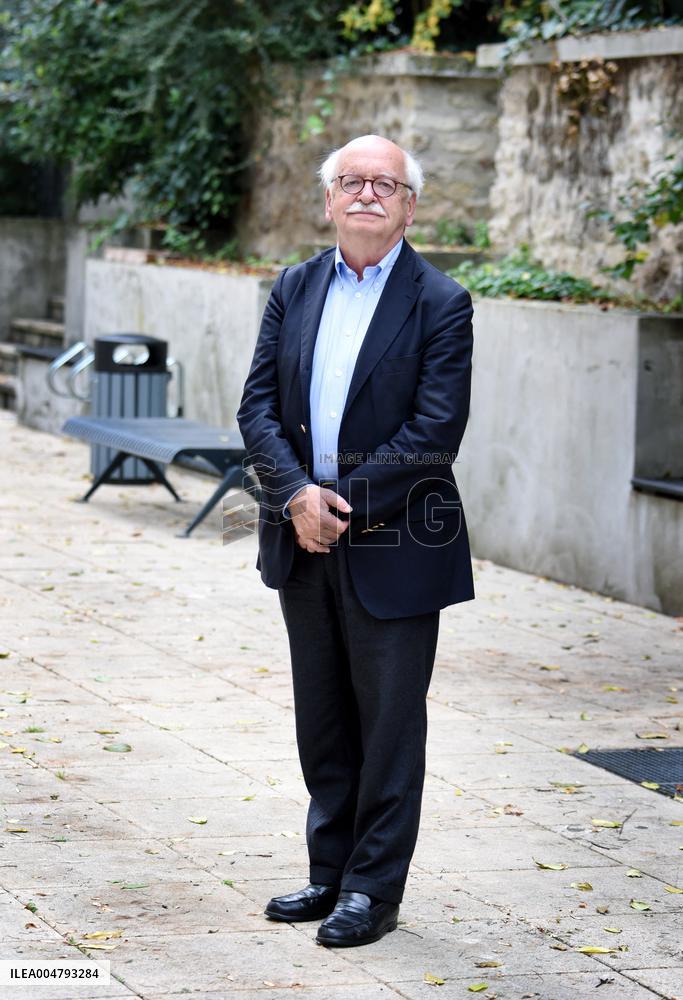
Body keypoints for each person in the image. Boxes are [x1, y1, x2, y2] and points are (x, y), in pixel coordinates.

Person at [236, 134, 475, 948]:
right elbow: (256, 407)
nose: (367, 194)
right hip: (300, 539)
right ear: (328, 200)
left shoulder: (441, 302)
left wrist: (338, 507)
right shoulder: (295, 285)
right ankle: (328, 871)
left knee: (389, 726)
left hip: (398, 546)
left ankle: (373, 891)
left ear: (410, 205)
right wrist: (297, 497)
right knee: (325, 718)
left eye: (386, 183)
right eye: (352, 181)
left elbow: (434, 430)